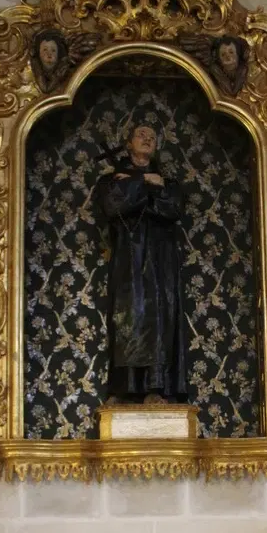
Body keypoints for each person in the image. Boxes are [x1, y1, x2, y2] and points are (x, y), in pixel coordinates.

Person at [96, 119, 187, 404]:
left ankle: (155, 389)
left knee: (159, 320)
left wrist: (137, 190)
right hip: (127, 260)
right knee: (127, 319)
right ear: (128, 143)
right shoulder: (111, 180)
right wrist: (145, 182)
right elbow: (113, 206)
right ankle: (124, 390)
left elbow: (172, 209)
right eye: (140, 134)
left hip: (160, 263)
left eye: (152, 136)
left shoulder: (169, 183)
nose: (147, 139)